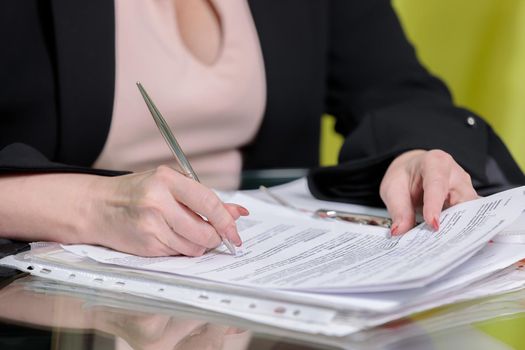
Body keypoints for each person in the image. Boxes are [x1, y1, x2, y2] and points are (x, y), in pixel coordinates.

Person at [0, 0, 523, 257]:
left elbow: (395, 88)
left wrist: (415, 155)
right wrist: (92, 206)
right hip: (59, 297)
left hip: (248, 285)